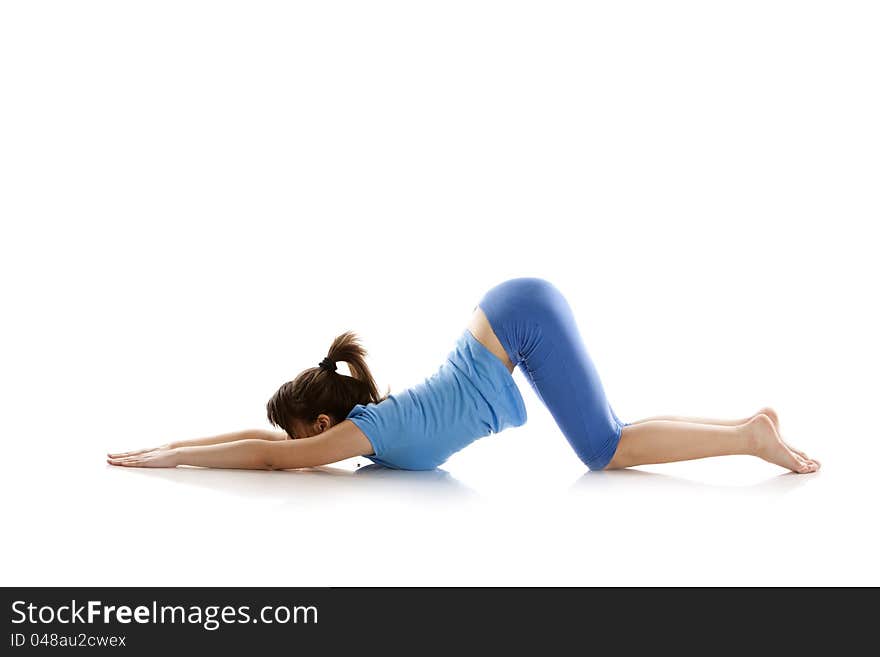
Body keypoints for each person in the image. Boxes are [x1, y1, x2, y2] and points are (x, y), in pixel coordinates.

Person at [107, 278, 819, 474]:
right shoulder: (374, 435)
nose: (298, 458)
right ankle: (746, 430)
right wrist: (178, 442)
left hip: (515, 322)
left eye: (301, 444)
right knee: (611, 438)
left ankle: (749, 437)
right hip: (510, 315)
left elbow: (264, 455)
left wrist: (171, 453)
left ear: (320, 427)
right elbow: (265, 443)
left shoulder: (362, 433)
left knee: (608, 449)